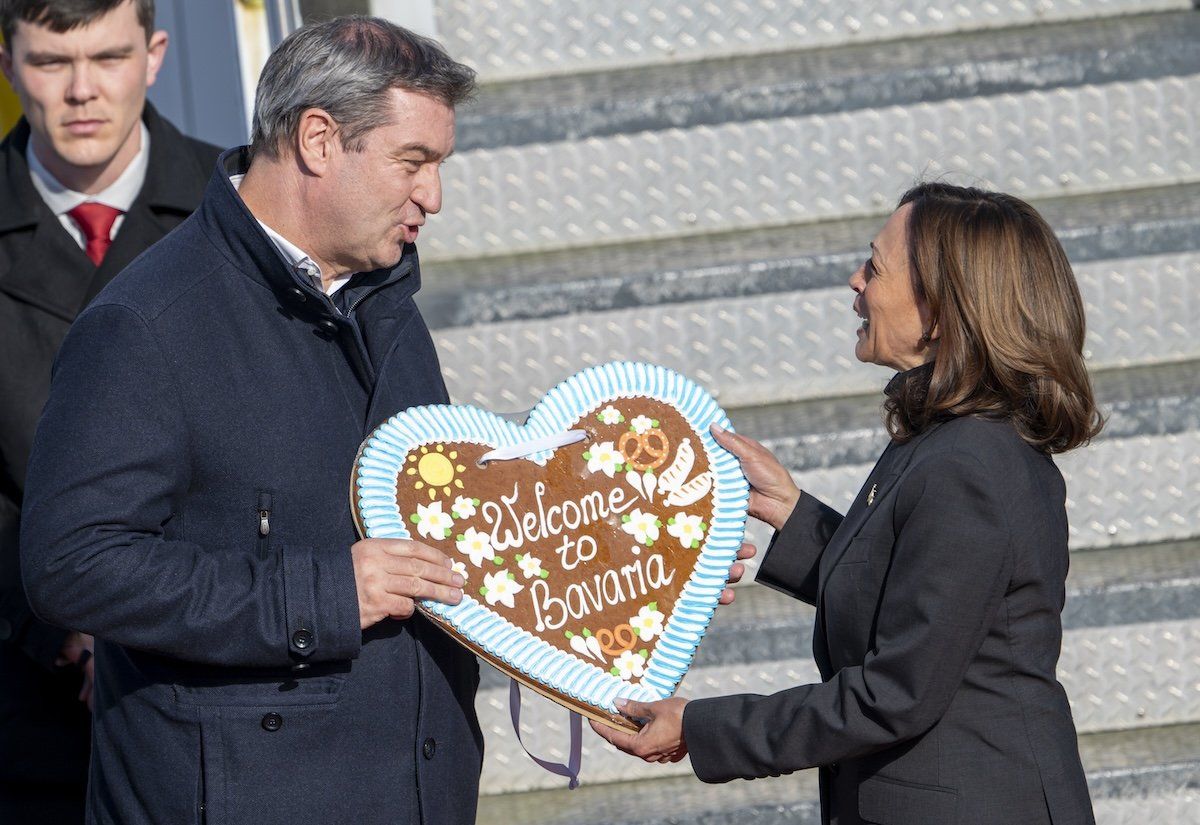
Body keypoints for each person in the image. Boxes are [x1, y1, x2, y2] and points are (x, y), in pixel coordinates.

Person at [19, 17, 487, 825]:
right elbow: (72, 561)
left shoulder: (386, 301)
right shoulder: (147, 323)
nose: (433, 196)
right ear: (317, 139)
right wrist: (323, 593)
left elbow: (428, 521)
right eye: (413, 162)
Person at [594, 183, 1103, 825]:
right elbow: (913, 601)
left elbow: (895, 693)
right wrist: (790, 511)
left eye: (876, 266)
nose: (854, 280)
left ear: (943, 310)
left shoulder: (970, 464)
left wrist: (704, 726)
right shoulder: (955, 444)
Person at [0, 0, 219, 820]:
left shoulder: (242, 205)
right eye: (52, 63)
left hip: (224, 674)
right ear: (10, 65)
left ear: (156, 54)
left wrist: (150, 610)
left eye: (109, 57)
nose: (82, 91)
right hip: (29, 703)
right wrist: (63, 618)